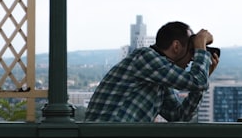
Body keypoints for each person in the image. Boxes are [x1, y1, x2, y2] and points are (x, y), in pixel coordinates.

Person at [84, 21, 219, 122]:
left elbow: (179, 116)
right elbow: (197, 82)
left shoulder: (158, 74)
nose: (193, 58)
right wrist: (201, 44)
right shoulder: (147, 58)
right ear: (176, 46)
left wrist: (204, 75)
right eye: (192, 51)